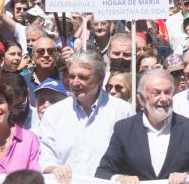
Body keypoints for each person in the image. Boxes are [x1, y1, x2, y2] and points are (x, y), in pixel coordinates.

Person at [96, 69, 189, 183]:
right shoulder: (124, 129)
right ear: (141, 99)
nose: (164, 98)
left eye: (168, 92)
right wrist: (119, 178)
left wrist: (187, 176)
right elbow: (103, 172)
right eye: (157, 93)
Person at [39, 50, 134, 180]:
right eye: (72, 76)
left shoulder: (123, 111)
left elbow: (131, 157)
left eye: (83, 77)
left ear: (100, 79)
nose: (75, 83)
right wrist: (55, 169)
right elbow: (46, 157)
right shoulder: (54, 113)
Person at [20, 36, 63, 105]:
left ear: (56, 55)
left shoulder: (65, 79)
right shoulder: (22, 80)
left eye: (50, 51)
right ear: (32, 56)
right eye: (40, 51)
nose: (46, 55)